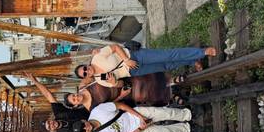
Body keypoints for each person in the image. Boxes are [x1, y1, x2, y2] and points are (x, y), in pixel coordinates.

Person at [21, 72, 89, 132]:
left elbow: (47, 94)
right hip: (91, 128)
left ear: (51, 119)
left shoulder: (58, 112)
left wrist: (34, 81)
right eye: (50, 127)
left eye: (50, 122)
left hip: (90, 111)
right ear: (51, 130)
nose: (52, 124)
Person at [74, 44, 217, 88]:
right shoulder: (99, 80)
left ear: (86, 65)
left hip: (134, 56)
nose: (87, 71)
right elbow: (121, 84)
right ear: (87, 77)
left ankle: (202, 52)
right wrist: (114, 82)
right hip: (134, 72)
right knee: (166, 66)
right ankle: (191, 60)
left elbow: (115, 47)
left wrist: (126, 59)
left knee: (167, 55)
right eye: (85, 74)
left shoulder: (97, 57)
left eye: (84, 68)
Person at [78, 102, 191, 132]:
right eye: (83, 131)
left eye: (83, 125)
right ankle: (185, 128)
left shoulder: (96, 112)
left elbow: (120, 106)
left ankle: (186, 115)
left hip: (133, 115)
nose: (85, 128)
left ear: (83, 120)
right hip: (135, 131)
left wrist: (139, 116)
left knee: (164, 113)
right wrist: (140, 129)